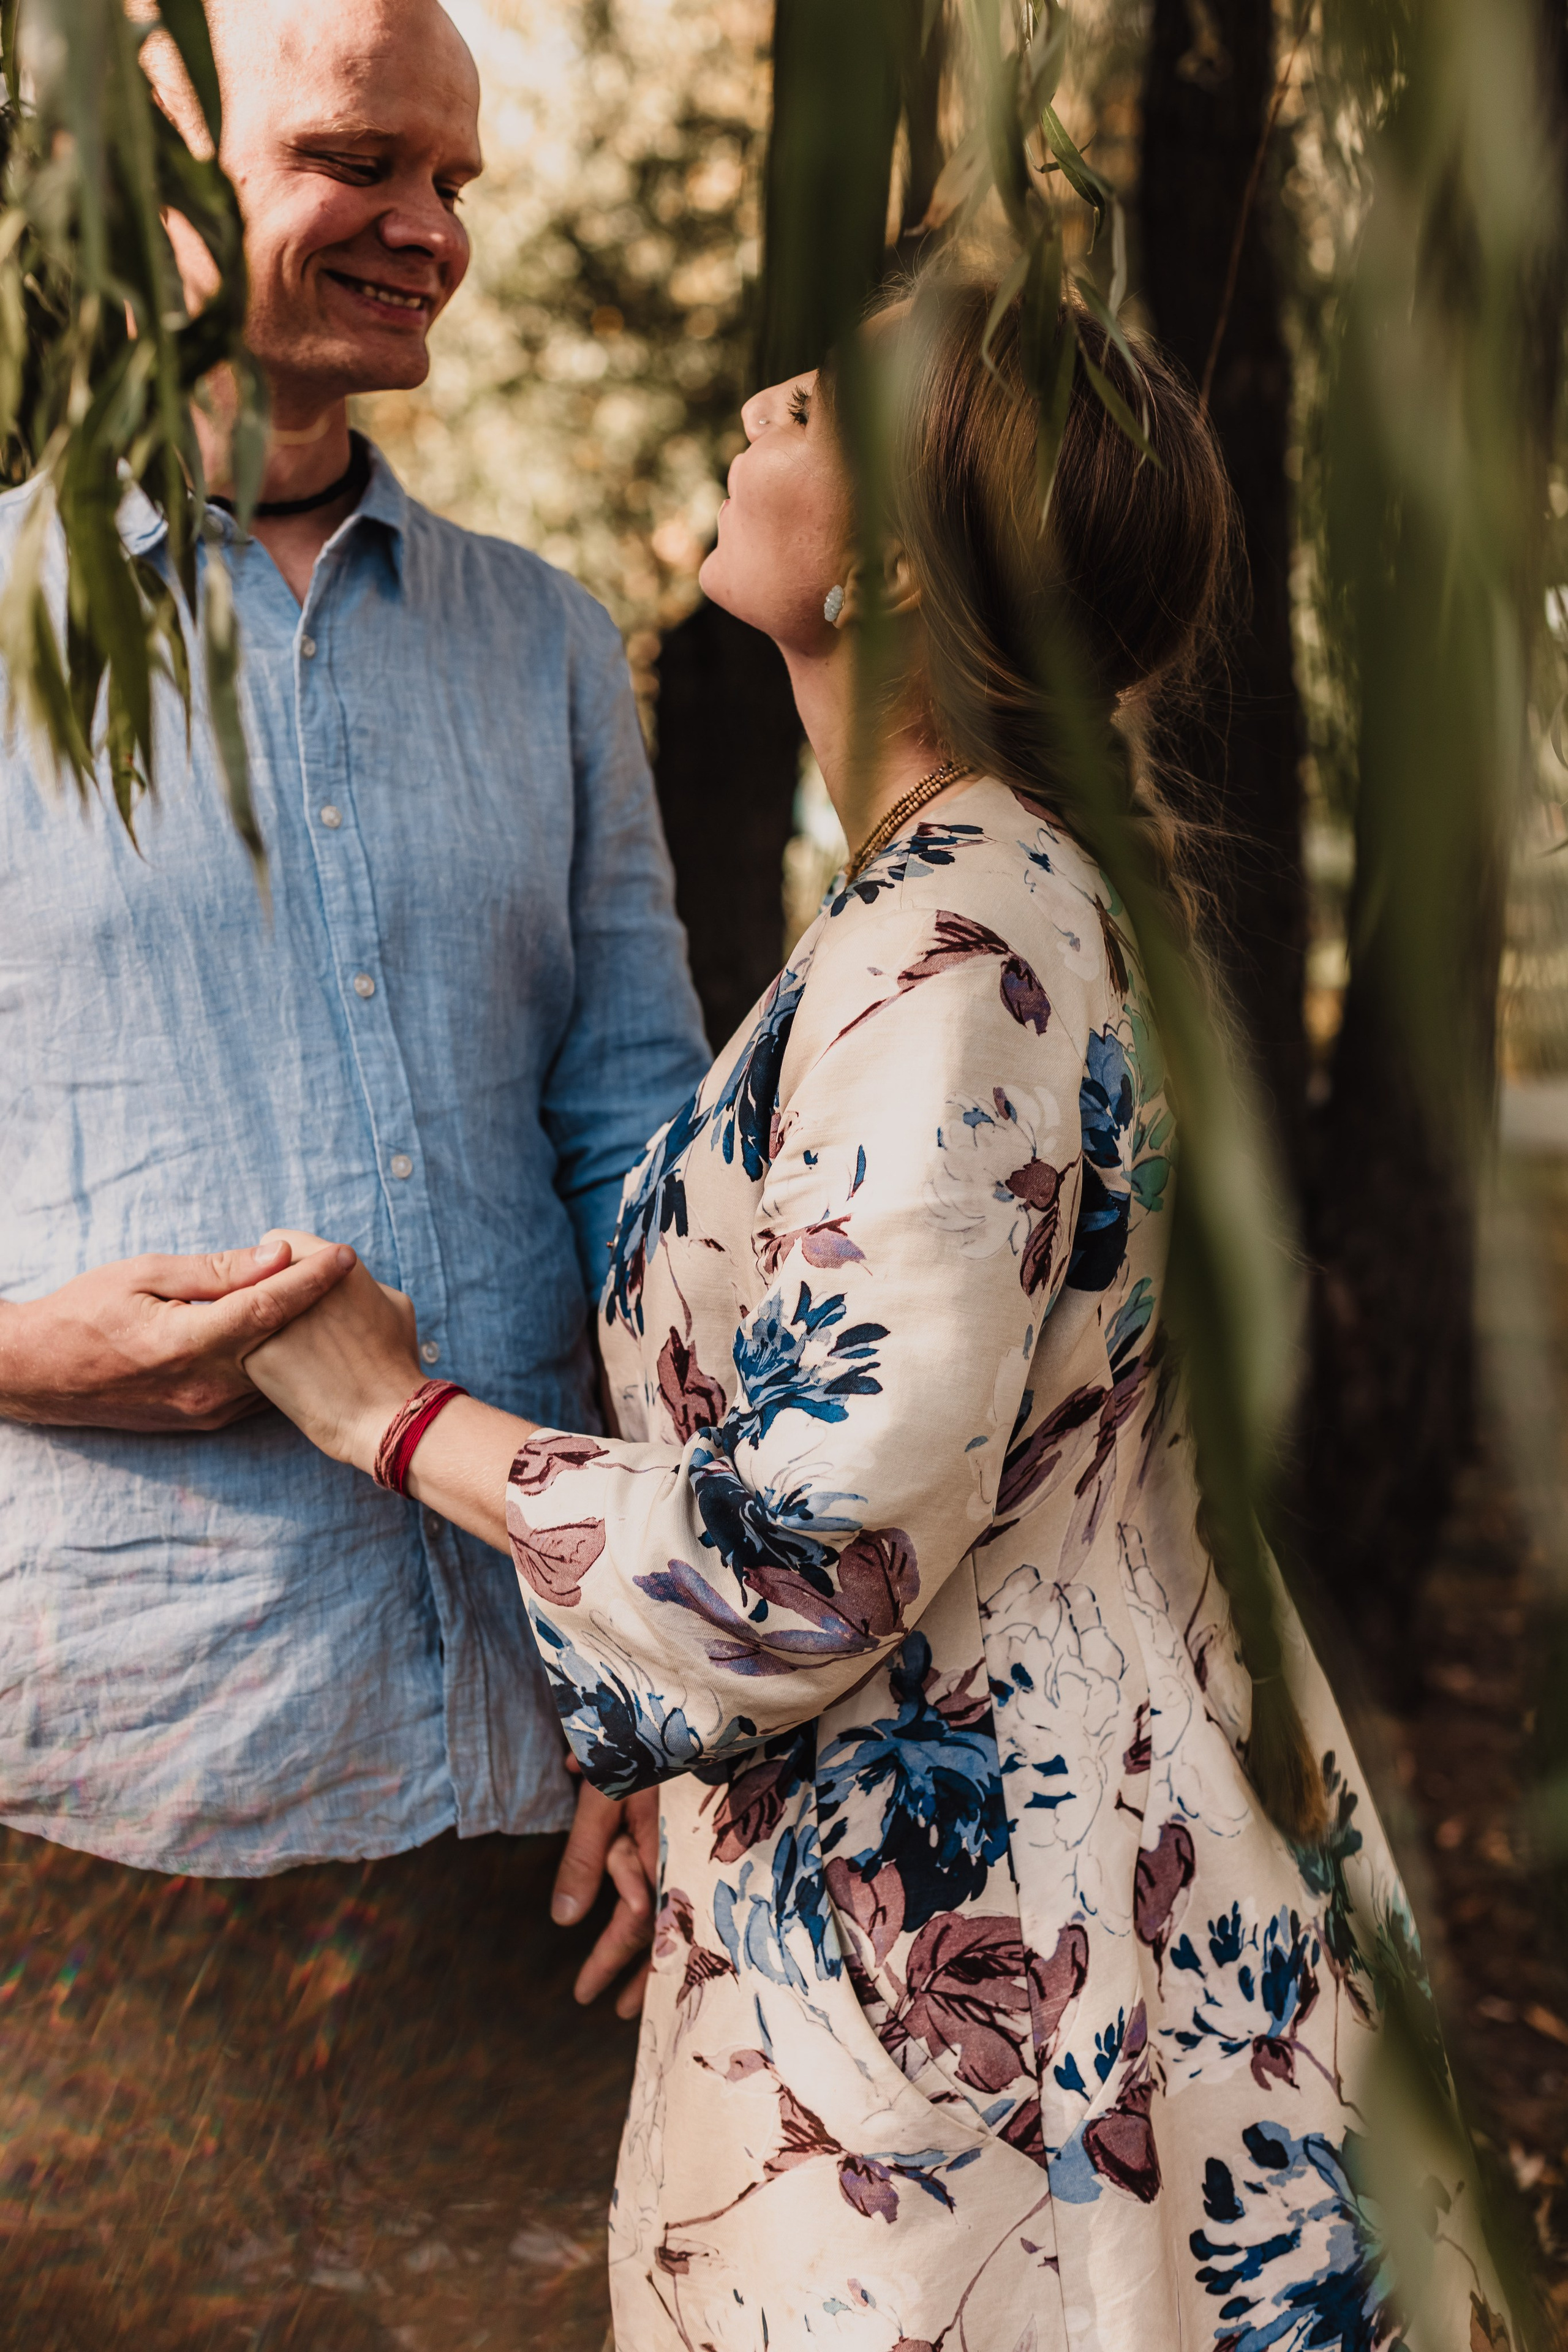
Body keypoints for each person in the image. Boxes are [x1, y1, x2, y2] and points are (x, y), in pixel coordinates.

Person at [242, 269, 1507, 2349]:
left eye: (811, 407)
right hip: (966, 1921)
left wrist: (393, 1414)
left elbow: (808, 1562)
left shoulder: (964, 943)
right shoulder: (960, 902)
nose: (757, 403)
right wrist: (676, 1775)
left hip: (999, 2014)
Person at [0, 0, 704, 1981]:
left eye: (453, 180)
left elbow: (644, 1193)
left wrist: (666, 1678)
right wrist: (16, 1351)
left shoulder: (552, 648)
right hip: (98, 1790)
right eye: (358, 162)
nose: (429, 229)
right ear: (148, 192)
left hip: (525, 1793)